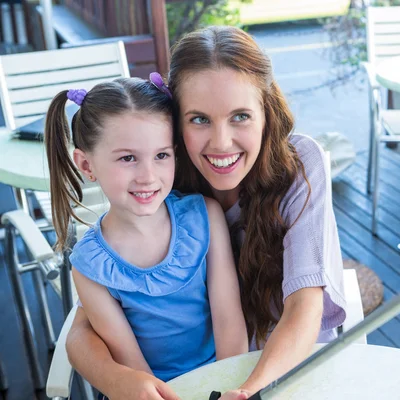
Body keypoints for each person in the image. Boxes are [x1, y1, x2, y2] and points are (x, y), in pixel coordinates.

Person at [66, 26, 347, 400]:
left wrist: (243, 390)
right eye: (199, 119)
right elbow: (84, 328)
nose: (221, 143)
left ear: (267, 113)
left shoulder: (298, 166)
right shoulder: (162, 180)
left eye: (241, 116)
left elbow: (304, 307)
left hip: (282, 370)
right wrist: (120, 381)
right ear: (174, 123)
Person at [46, 77, 247, 398]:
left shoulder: (205, 216)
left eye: (161, 155)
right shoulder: (90, 266)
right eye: (128, 158)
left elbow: (229, 321)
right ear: (86, 164)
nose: (148, 176)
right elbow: (133, 366)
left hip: (223, 379)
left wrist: (228, 388)